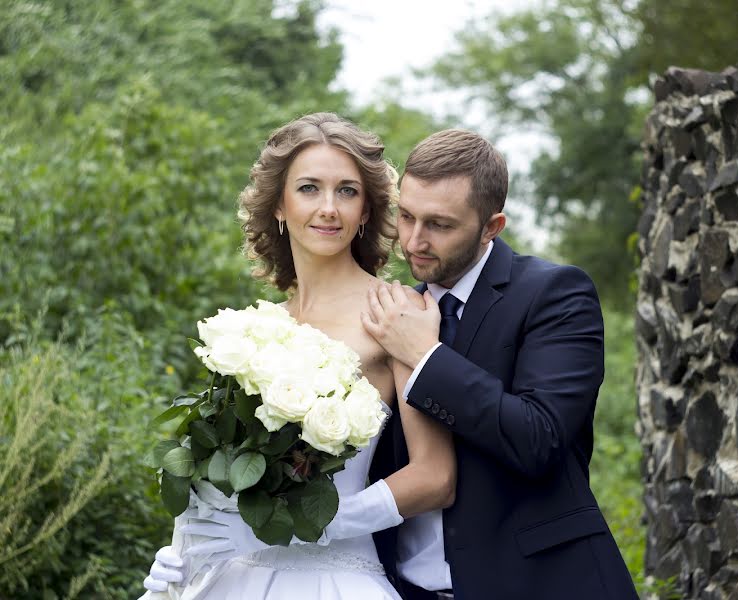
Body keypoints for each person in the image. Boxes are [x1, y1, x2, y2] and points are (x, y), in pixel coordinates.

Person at [140, 112, 456, 600]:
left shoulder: (396, 312)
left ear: (367, 210)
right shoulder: (250, 332)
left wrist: (306, 525)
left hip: (337, 577)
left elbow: (435, 476)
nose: (329, 208)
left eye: (347, 191)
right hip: (231, 577)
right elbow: (224, 466)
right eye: (309, 188)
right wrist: (183, 551)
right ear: (280, 207)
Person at [362, 129, 640, 600]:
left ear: (493, 226)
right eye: (406, 216)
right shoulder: (388, 310)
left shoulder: (555, 294)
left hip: (541, 585)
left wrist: (425, 358)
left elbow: (539, 438)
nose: (413, 240)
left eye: (440, 225)